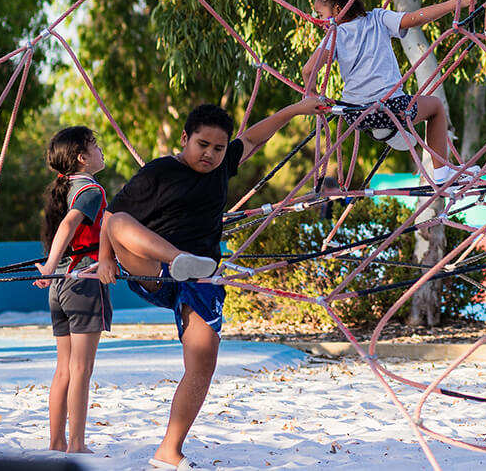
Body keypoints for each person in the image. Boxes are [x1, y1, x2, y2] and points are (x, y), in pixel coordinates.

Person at [98, 98, 329, 471]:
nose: (209, 154)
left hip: (202, 277)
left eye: (218, 148)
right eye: (202, 145)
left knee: (202, 362)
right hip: (154, 267)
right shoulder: (158, 172)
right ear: (186, 138)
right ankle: (176, 258)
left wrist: (296, 110)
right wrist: (105, 258)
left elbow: (254, 139)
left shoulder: (222, 168)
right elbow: (110, 215)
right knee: (121, 221)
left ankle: (168, 451)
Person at [304, 0, 478, 183]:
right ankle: (441, 174)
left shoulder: (334, 35)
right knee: (436, 107)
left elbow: (308, 70)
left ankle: (386, 131)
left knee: (389, 112)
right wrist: (459, 2)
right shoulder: (378, 17)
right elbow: (416, 18)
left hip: (354, 113)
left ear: (338, 10)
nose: (319, 21)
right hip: (391, 107)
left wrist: (313, 96)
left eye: (321, 15)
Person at [38, 126, 110, 455]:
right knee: (81, 369)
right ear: (83, 158)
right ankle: (76, 444)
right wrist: (50, 265)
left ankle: (57, 441)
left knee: (64, 368)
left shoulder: (68, 188)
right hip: (83, 282)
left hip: (62, 286)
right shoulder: (90, 189)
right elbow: (69, 225)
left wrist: (53, 270)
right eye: (95, 146)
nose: (101, 150)